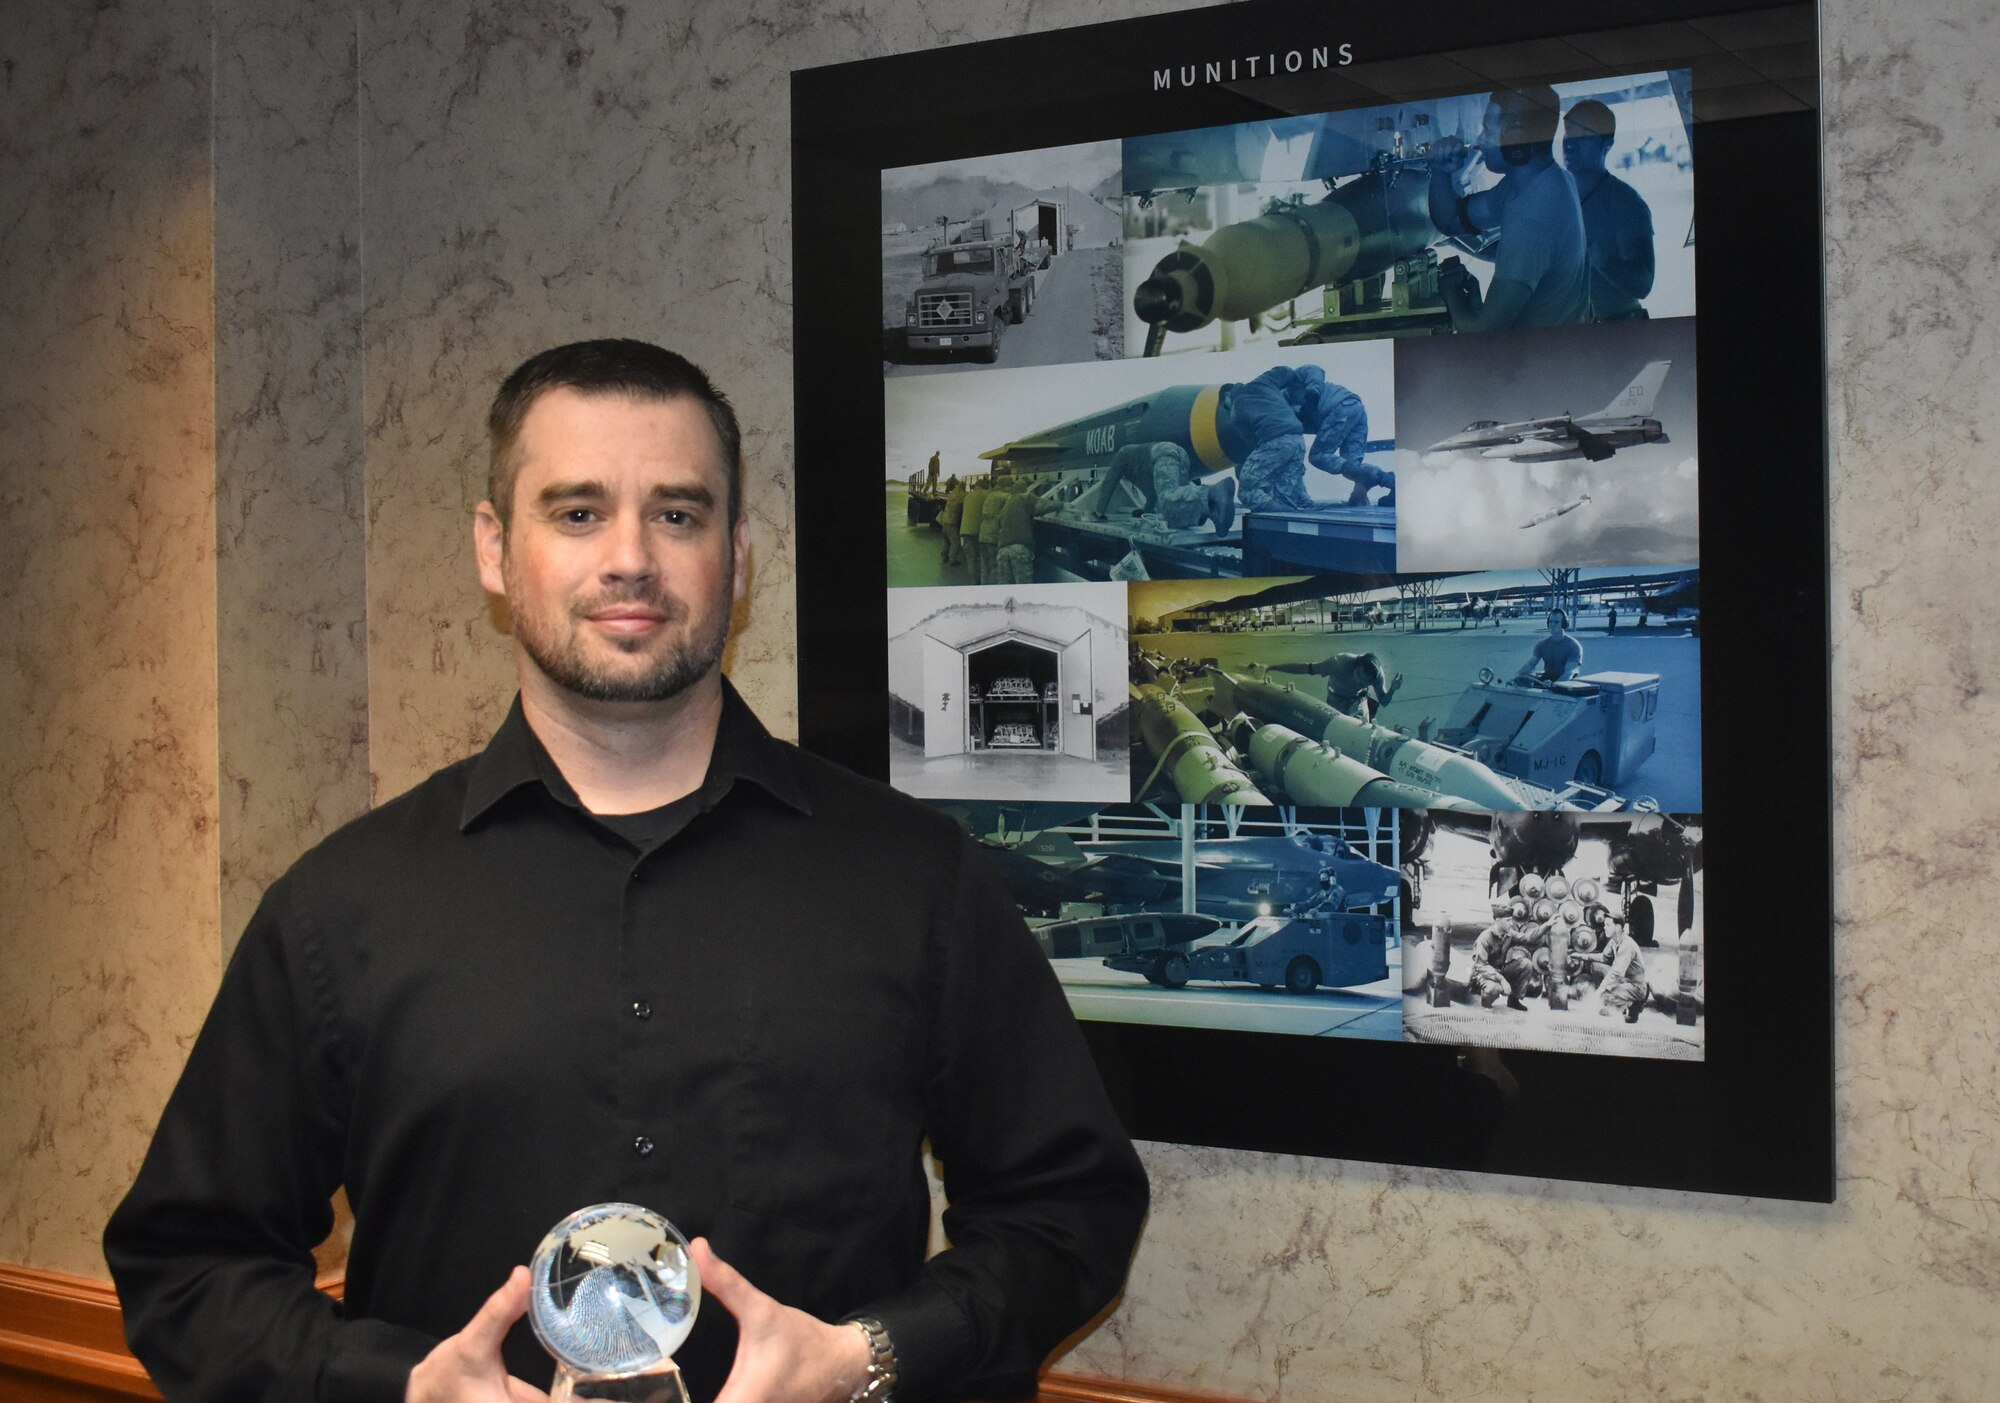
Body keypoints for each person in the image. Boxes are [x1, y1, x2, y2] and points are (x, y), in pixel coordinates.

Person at [104, 340, 1148, 1403]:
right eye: (576, 512)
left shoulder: (916, 878)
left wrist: (865, 1356)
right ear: (492, 547)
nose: (630, 558)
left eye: (677, 513)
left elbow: (1067, 1207)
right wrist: (402, 1385)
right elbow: (187, 1266)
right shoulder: (341, 909)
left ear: (737, 558)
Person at [1427, 84, 1592, 332]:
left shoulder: (1532, 220)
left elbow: (1481, 333)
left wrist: (1451, 294)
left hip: (1546, 365)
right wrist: (1441, 172)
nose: (1480, 140)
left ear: (1516, 139)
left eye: (1487, 130)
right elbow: (1450, 220)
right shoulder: (1541, 181)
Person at [1562, 99, 1655, 322]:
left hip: (1621, 333)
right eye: (1568, 133)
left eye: (1583, 137)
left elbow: (1642, 284)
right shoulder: (1557, 196)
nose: (1570, 144)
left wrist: (1598, 257)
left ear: (1607, 145)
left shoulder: (1625, 202)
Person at [1289, 367, 1393, 507]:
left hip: (1339, 408)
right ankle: (1390, 483)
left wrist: (1312, 396)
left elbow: (1315, 370)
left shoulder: (1283, 391)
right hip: (1354, 407)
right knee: (1352, 463)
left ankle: (1366, 482)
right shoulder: (1284, 403)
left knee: (1318, 456)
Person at [1228, 366, 1317, 513]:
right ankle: (1293, 507)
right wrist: (1296, 391)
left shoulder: (1235, 410)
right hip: (1297, 440)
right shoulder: (1263, 382)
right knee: (1286, 491)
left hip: (1274, 441)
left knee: (1248, 490)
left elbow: (1251, 444)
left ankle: (1276, 513)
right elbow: (1286, 371)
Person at [1265, 649, 1402, 720]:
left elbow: (1383, 701)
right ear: (1355, 665)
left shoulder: (1377, 675)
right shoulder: (1338, 662)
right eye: (1358, 675)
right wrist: (1271, 666)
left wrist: (1392, 690)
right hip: (1335, 702)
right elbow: (1306, 668)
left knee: (1361, 736)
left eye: (1364, 681)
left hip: (1358, 704)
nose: (1359, 681)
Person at [993, 478, 1063, 583]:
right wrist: (1061, 504)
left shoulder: (1007, 503)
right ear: (1025, 489)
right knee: (1023, 587)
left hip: (1003, 551)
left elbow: (999, 523)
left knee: (1005, 587)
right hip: (1019, 550)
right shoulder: (1025, 497)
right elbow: (1043, 506)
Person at [1517, 608, 1583, 682]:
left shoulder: (1573, 646)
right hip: (1547, 680)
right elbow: (1530, 664)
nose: (1552, 624)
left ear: (1564, 624)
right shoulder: (1542, 644)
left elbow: (1569, 672)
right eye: (1550, 621)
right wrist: (1518, 676)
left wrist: (1555, 686)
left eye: (1556, 622)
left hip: (1566, 683)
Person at [957, 476, 991, 584]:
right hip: (977, 533)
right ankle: (981, 581)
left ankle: (974, 582)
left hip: (964, 532)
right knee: (980, 558)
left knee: (970, 558)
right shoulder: (985, 494)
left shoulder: (967, 496)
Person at [937, 475, 966, 569]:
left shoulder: (952, 493)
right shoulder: (962, 495)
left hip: (944, 520)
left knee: (946, 540)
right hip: (952, 522)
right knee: (955, 542)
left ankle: (944, 556)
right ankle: (953, 560)